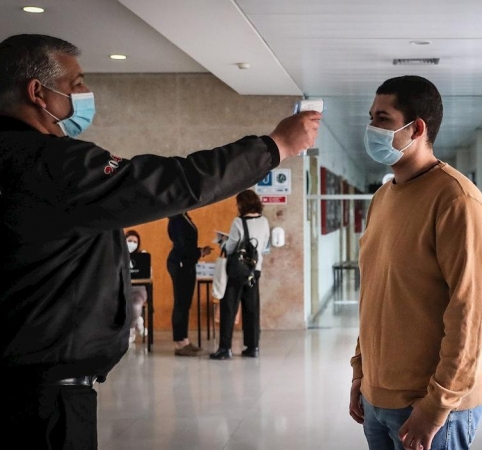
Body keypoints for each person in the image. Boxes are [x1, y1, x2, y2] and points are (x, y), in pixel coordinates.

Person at [0, 34, 320, 449]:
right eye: (77, 83)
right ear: (38, 93)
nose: (85, 93)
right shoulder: (50, 164)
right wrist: (273, 147)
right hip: (42, 397)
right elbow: (172, 182)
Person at [348, 75, 482, 450]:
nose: (371, 128)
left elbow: (471, 312)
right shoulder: (384, 197)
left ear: (416, 128)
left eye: (382, 119)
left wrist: (436, 406)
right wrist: (360, 373)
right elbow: (376, 293)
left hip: (428, 405)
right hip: (378, 397)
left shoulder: (456, 200)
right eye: (371, 118)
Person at [210, 189, 271, 360]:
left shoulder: (238, 222)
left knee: (229, 307)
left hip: (237, 270)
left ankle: (225, 348)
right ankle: (252, 347)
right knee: (251, 308)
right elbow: (264, 244)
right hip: (255, 269)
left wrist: (222, 243)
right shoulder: (264, 221)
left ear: (242, 204)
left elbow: (231, 247)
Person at [167, 212, 212, 356]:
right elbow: (182, 247)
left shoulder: (184, 217)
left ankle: (184, 340)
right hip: (181, 263)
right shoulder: (177, 219)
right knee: (181, 302)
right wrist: (199, 253)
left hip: (187, 263)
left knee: (185, 303)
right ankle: (179, 343)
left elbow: (188, 244)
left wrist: (200, 251)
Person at [125, 229, 148, 344]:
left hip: (138, 290)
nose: (132, 244)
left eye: (135, 242)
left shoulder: (142, 256)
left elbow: (148, 274)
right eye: (129, 241)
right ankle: (137, 319)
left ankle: (131, 328)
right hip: (122, 290)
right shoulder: (119, 255)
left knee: (135, 307)